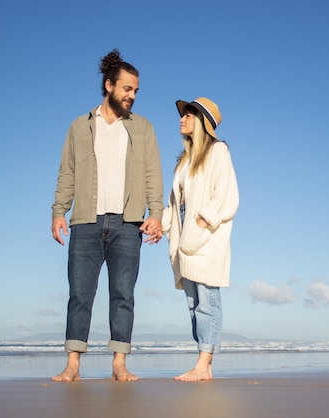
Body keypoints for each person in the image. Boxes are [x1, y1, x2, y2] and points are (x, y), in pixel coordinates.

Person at [50, 49, 163, 382]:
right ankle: (73, 365)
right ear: (109, 85)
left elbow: (153, 175)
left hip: (128, 224)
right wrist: (59, 211)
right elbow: (66, 173)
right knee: (80, 294)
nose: (132, 96)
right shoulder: (79, 127)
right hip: (86, 221)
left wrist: (155, 213)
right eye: (127, 89)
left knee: (123, 295)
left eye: (136, 91)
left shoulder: (143, 129)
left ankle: (119, 363)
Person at [161, 97, 239, 381]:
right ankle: (206, 367)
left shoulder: (218, 151)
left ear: (203, 121)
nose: (181, 119)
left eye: (188, 115)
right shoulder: (184, 160)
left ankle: (202, 362)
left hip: (206, 240)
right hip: (185, 242)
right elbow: (174, 202)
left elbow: (228, 196)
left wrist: (204, 222)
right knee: (193, 303)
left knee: (207, 300)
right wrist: (162, 225)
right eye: (182, 115)